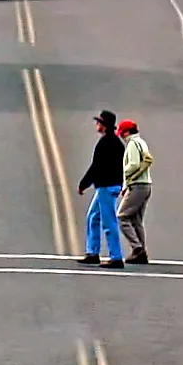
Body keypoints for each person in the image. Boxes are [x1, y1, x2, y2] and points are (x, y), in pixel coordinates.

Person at [78, 109, 126, 267]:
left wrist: (84, 184)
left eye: (98, 122)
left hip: (107, 186)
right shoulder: (115, 143)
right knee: (93, 217)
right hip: (107, 186)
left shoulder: (106, 143)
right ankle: (92, 252)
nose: (96, 125)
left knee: (108, 221)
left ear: (104, 125)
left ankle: (116, 257)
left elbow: (96, 167)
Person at [116, 117, 153, 265]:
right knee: (136, 220)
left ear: (126, 132)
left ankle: (137, 248)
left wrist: (123, 172)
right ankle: (141, 251)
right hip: (146, 185)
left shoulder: (132, 144)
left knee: (122, 217)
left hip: (137, 185)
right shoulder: (141, 142)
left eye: (122, 133)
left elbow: (133, 164)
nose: (121, 136)